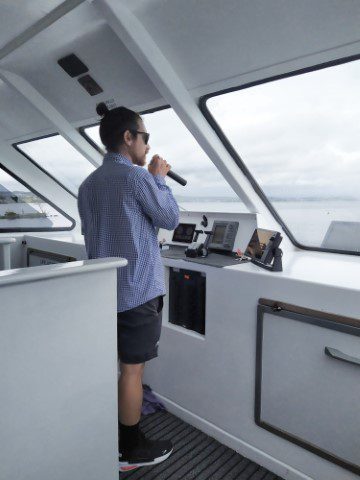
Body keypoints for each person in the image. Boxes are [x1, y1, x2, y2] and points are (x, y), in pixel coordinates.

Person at [77, 103, 179, 471]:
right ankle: (129, 450)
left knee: (117, 368)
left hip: (103, 292)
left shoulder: (87, 185)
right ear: (128, 137)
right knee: (132, 370)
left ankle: (114, 434)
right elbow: (168, 218)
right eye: (145, 138)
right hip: (137, 292)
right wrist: (160, 180)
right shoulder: (138, 179)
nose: (148, 147)